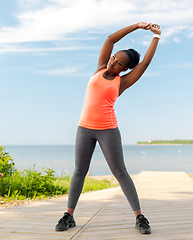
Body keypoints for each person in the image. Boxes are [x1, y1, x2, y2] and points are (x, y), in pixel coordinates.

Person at [55, 22, 161, 234]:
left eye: (119, 63)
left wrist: (155, 37)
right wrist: (138, 26)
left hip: (108, 130)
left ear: (125, 68)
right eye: (114, 58)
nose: (113, 63)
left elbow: (146, 63)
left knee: (120, 171)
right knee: (79, 172)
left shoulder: (122, 82)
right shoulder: (100, 69)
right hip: (84, 129)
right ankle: (69, 215)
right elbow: (110, 39)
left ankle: (140, 217)